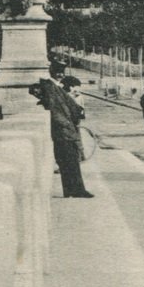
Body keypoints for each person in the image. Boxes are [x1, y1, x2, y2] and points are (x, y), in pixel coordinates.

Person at [31, 61, 93, 199]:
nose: (60, 75)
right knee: (69, 160)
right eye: (58, 72)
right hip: (63, 129)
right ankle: (76, 190)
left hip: (64, 128)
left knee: (67, 161)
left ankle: (71, 190)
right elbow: (56, 109)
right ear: (51, 72)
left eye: (62, 72)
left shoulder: (55, 86)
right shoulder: (50, 86)